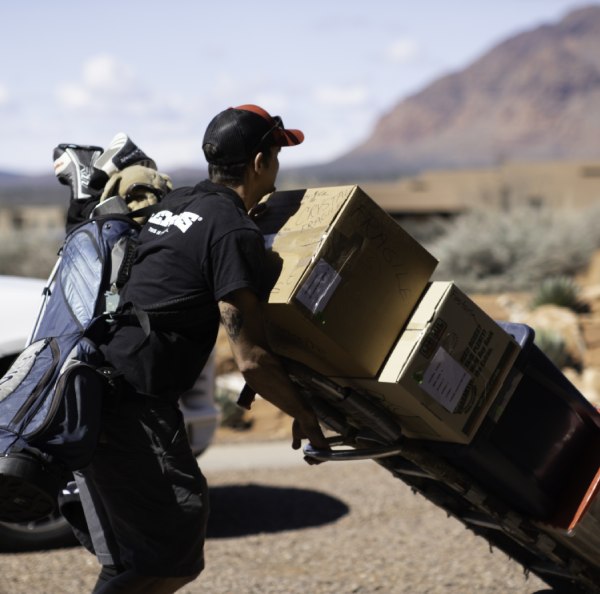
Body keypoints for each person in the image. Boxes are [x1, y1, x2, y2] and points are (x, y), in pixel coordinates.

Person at [69, 105, 330, 594]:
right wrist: (307, 414)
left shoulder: (180, 202)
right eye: (276, 155)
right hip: (134, 407)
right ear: (258, 163)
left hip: (93, 388)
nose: (277, 168)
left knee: (131, 558)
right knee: (172, 558)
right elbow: (251, 361)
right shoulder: (232, 231)